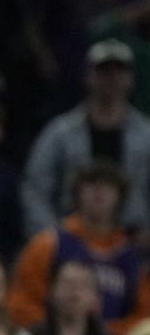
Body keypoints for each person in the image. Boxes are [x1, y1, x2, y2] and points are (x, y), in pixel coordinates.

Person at [22, 39, 150, 236]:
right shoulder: (59, 133)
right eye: (103, 72)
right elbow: (35, 189)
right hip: (72, 237)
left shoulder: (146, 134)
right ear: (88, 76)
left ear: (130, 79)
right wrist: (53, 239)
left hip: (133, 242)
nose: (111, 79)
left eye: (118, 72)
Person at [9, 159, 146, 334]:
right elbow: (23, 302)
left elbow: (144, 313)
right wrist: (54, 331)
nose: (99, 191)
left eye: (108, 186)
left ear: (121, 196)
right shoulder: (48, 243)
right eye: (91, 184)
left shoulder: (134, 254)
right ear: (77, 193)